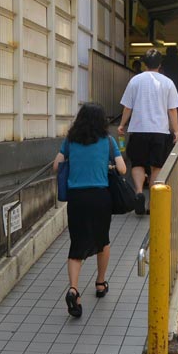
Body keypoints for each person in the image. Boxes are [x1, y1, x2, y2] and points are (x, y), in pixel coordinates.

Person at [52, 103, 127, 318]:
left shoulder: (70, 141)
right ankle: (100, 283)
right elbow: (122, 169)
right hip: (100, 197)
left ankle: (74, 291)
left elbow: (56, 167)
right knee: (102, 241)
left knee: (77, 245)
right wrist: (108, 166)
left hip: (77, 198)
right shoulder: (108, 141)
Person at [118, 48, 178, 215]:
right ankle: (152, 202)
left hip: (138, 129)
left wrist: (122, 124)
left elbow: (127, 106)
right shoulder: (168, 83)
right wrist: (176, 131)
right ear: (160, 64)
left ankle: (139, 192)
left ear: (144, 64)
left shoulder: (135, 81)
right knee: (156, 167)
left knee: (137, 163)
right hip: (160, 131)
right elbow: (173, 110)